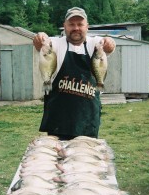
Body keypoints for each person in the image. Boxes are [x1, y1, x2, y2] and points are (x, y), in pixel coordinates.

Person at [33, 7, 116, 140]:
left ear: (87, 27)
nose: (76, 28)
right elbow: (44, 44)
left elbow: (107, 44)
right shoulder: (56, 44)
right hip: (59, 122)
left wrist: (110, 43)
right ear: (64, 26)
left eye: (80, 24)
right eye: (71, 24)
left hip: (88, 120)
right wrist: (40, 37)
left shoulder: (94, 44)